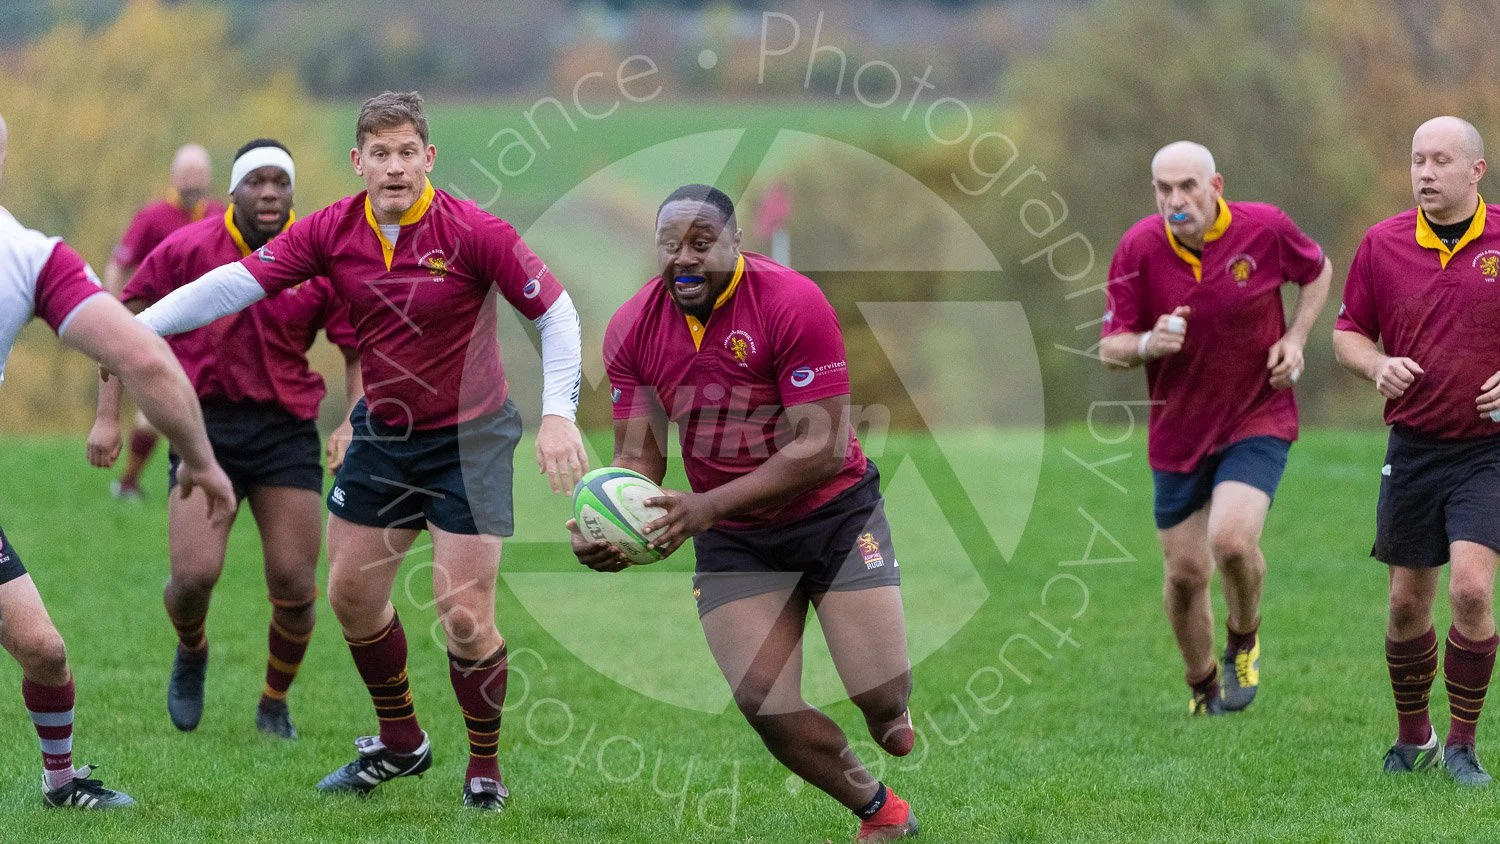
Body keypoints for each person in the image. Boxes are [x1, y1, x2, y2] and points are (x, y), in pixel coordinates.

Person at [132, 91, 587, 812]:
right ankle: (401, 743)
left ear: (429, 158)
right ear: (358, 163)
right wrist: (138, 333)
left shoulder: (474, 231)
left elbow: (555, 312)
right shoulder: (329, 231)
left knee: (463, 616)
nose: (396, 168)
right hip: (384, 431)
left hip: (469, 437)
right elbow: (233, 285)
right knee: (349, 595)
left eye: (408, 152)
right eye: (381, 154)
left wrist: (559, 415)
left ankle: (485, 769)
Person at [572, 184, 918, 843]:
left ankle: (887, 711)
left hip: (833, 514)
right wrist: (615, 528)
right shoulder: (632, 327)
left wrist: (704, 506)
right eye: (670, 245)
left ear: (737, 244)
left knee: (883, 696)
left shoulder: (792, 302)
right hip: (736, 540)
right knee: (764, 702)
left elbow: (817, 447)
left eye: (703, 244)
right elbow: (638, 457)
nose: (685, 259)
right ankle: (881, 812)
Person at [87, 139, 361, 740]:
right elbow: (114, 318)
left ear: (292, 192)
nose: (268, 193)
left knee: (294, 582)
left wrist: (351, 422)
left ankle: (273, 703)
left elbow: (355, 348)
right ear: (231, 191)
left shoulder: (316, 257)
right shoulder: (188, 248)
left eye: (279, 182)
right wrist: (110, 415)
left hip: (285, 432)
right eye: (256, 181)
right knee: (192, 578)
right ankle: (192, 650)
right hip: (199, 426)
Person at [0, 111, 236, 809]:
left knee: (43, 650)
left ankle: (62, 784)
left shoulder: (26, 257)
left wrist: (199, 458)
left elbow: (139, 353)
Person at [1100, 141, 1332, 716]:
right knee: (1183, 574)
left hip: (1258, 413)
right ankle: (1203, 686)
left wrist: (1295, 338)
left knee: (1231, 541)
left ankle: (1244, 639)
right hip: (1178, 430)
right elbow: (1110, 347)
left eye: (1186, 187)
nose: (1174, 201)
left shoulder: (1265, 229)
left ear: (1216, 186)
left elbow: (1318, 269)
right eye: (1163, 189)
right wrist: (1151, 343)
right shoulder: (1138, 247)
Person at [1333, 116, 1500, 786]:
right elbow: (1348, 334)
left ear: (1476, 171)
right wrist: (1376, 367)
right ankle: (1416, 739)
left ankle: (1463, 745)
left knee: (1469, 588)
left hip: (1489, 451)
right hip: (1413, 448)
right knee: (1405, 605)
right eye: (1416, 161)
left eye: (1439, 160)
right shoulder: (1383, 244)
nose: (1425, 173)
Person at [103, 143, 224, 501]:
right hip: (164, 328)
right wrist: (113, 312)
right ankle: (129, 483)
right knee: (158, 406)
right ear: (174, 177)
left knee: (204, 406)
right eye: (187, 175)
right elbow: (117, 263)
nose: (193, 183)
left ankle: (208, 478)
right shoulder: (153, 217)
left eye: (199, 176)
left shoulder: (219, 214)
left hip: (211, 331)